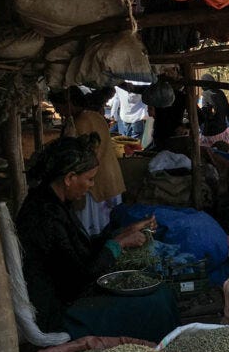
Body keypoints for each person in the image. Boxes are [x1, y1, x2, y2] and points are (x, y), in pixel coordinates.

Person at [15, 135, 161, 334]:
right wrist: (118, 244)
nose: (92, 185)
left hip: (67, 295)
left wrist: (126, 231)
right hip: (59, 312)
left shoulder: (53, 202)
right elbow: (80, 278)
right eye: (90, 179)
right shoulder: (45, 216)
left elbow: (79, 251)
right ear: (69, 178)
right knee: (153, 304)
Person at [52, 87, 126, 237]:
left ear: (69, 103)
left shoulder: (79, 123)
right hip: (109, 177)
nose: (58, 111)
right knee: (109, 228)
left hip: (94, 184)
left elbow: (75, 156)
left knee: (93, 231)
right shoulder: (95, 116)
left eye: (57, 107)